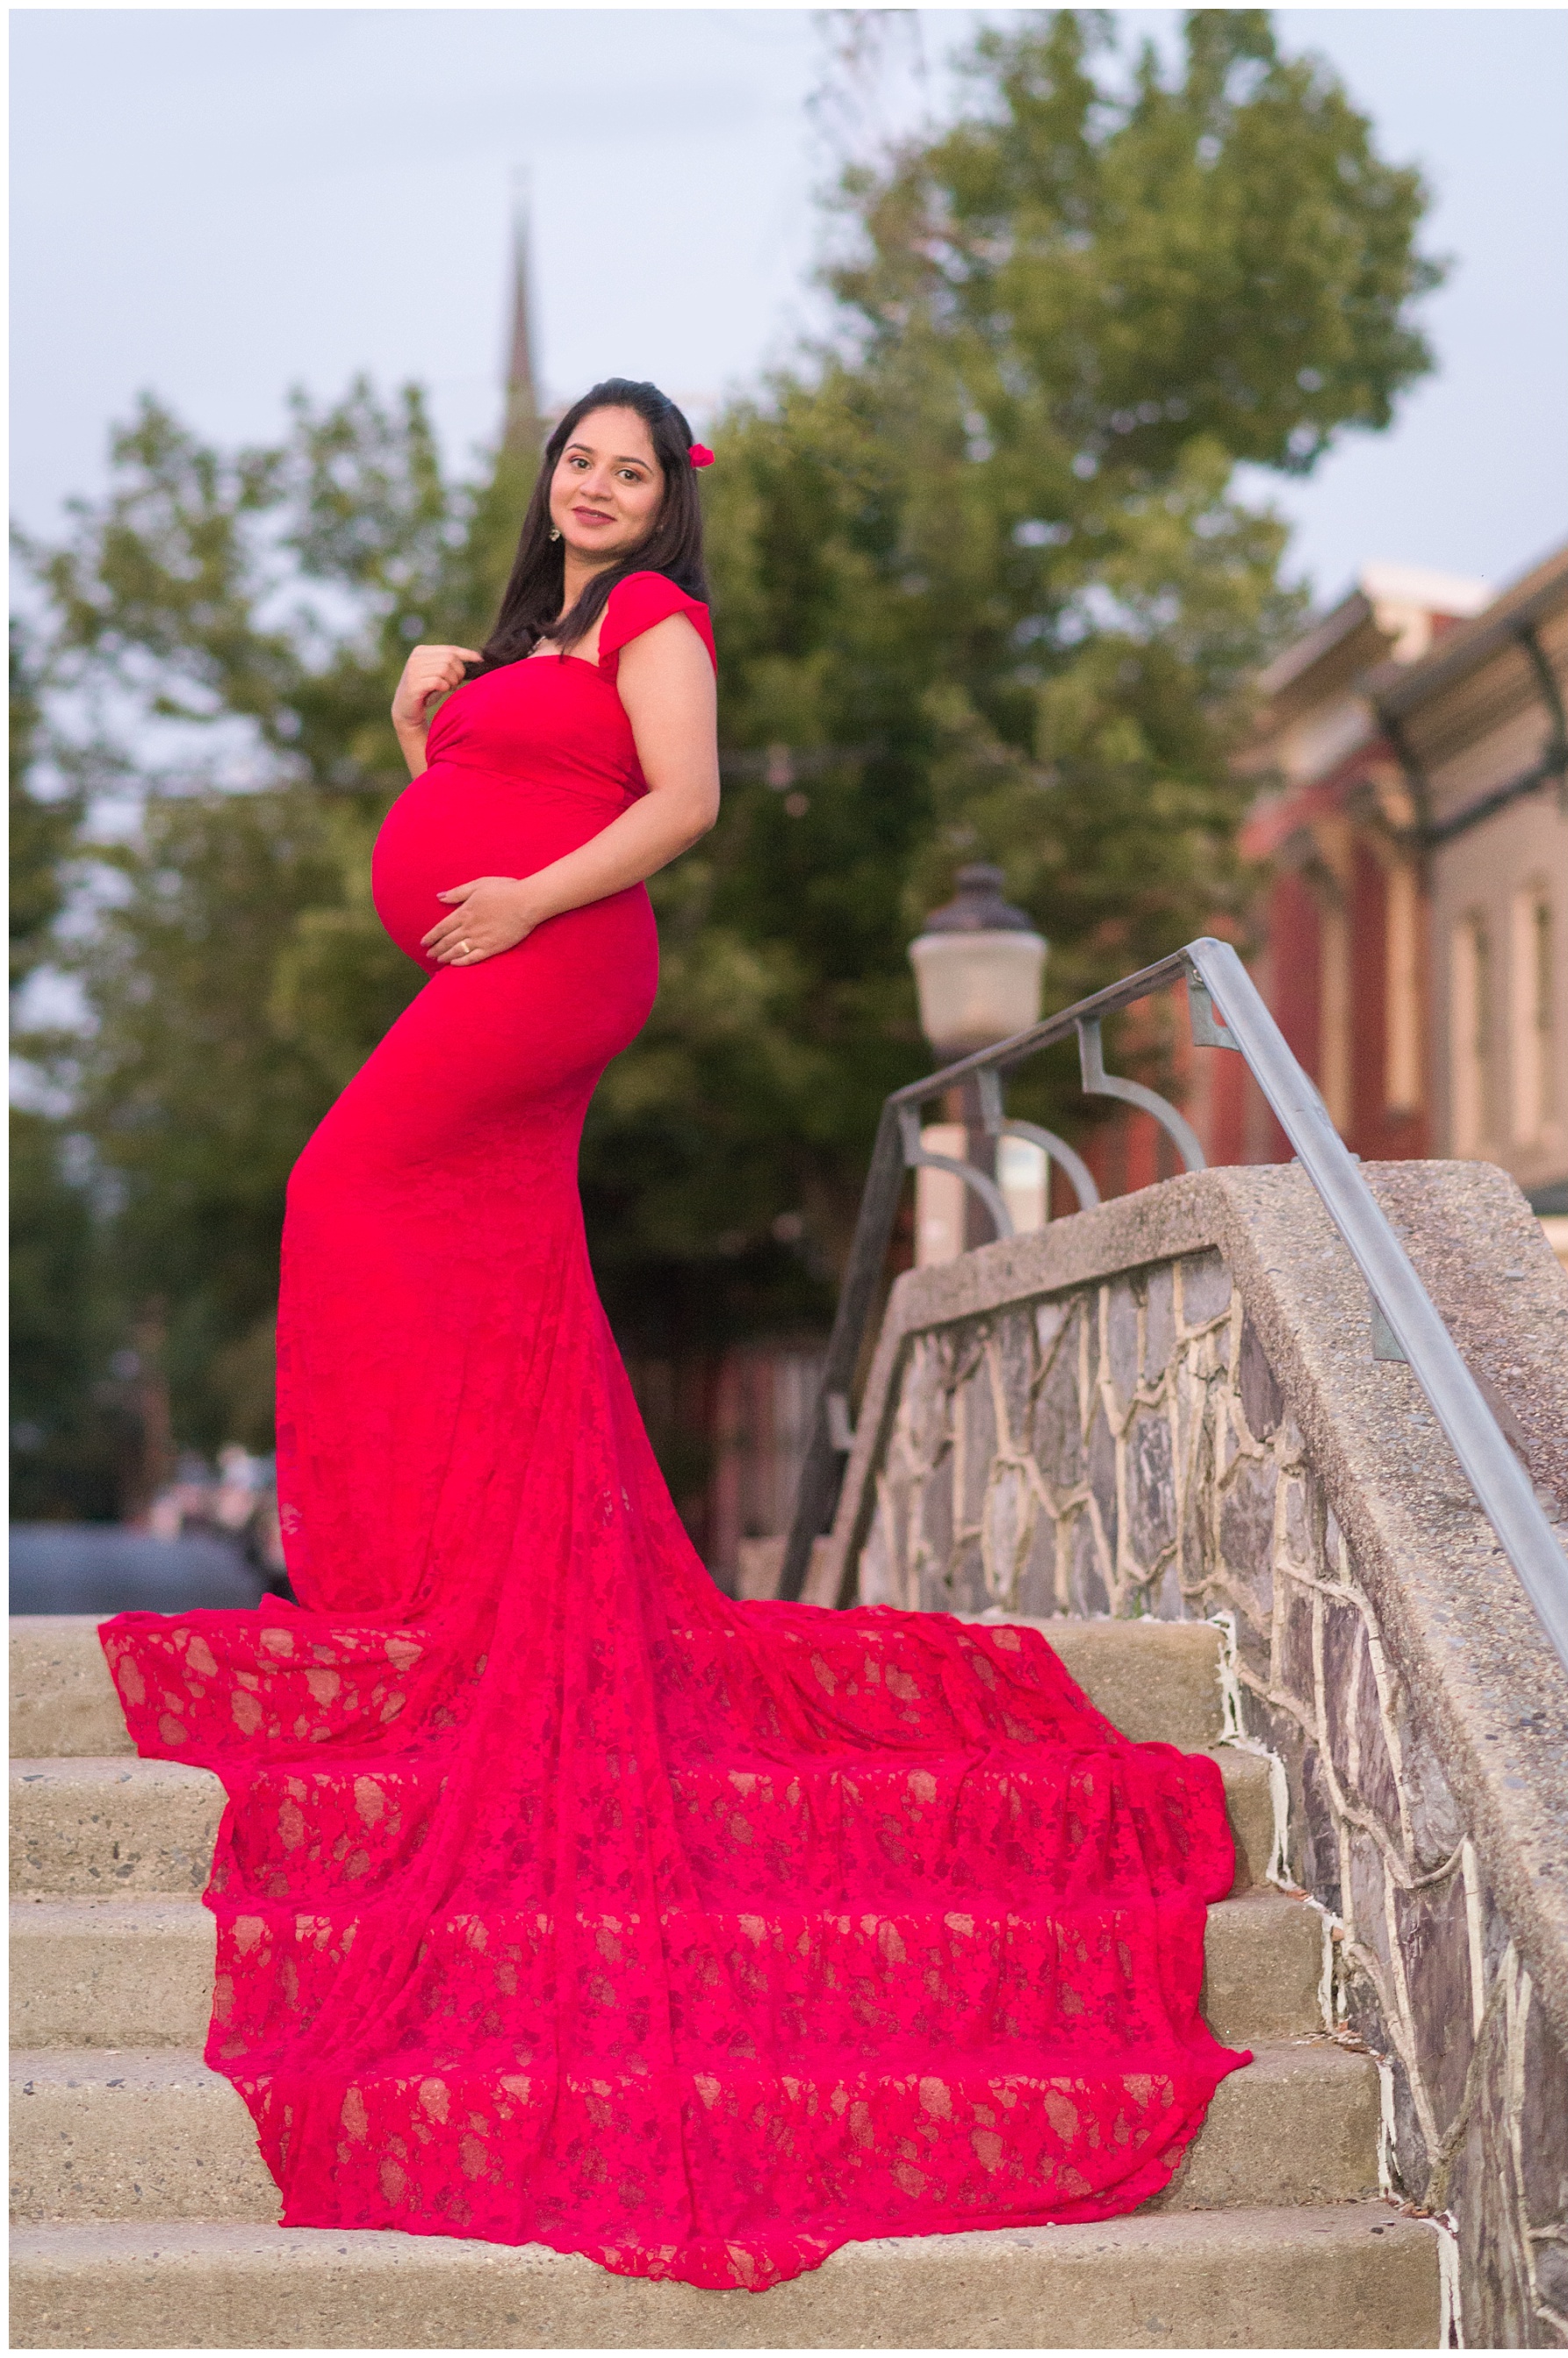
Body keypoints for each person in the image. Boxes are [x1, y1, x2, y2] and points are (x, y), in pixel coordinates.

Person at [100, 378, 1248, 2292]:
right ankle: (445, 1567)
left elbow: (682, 805)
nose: (604, 486)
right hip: (507, 933)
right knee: (483, 1249)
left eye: (635, 470)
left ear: (664, 502)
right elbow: (446, 833)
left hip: (568, 950)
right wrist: (414, 724)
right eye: (584, 458)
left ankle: (405, 1563)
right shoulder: (528, 632)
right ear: (550, 469)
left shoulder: (659, 624)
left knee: (341, 1183)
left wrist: (527, 894)